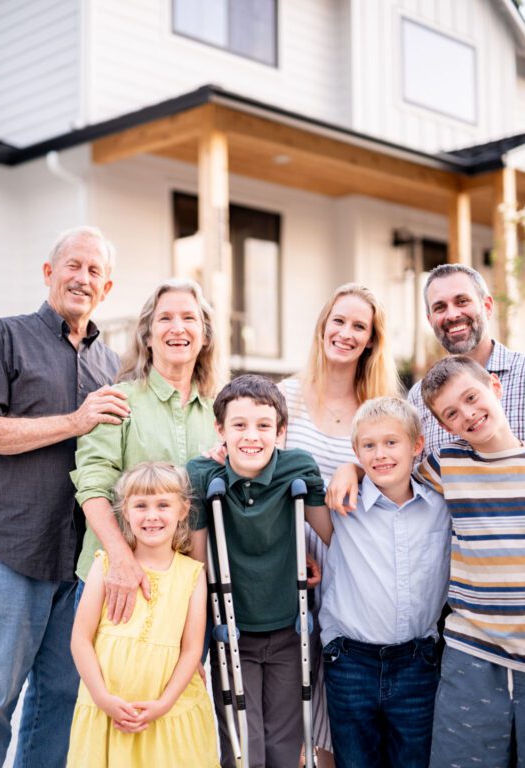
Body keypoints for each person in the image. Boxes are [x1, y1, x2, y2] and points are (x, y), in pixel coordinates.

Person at [0, 226, 129, 768]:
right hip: (10, 552)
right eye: (73, 265)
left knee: (60, 702)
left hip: (78, 566)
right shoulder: (3, 336)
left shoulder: (113, 367)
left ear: (107, 288)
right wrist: (75, 422)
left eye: (95, 271)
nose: (83, 277)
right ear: (49, 273)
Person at [328, 263, 525, 532]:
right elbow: (402, 474)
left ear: (487, 305)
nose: (452, 314)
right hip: (459, 574)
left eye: (462, 301)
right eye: (440, 307)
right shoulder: (420, 397)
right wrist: (353, 469)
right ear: (430, 320)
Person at [417, 356, 525, 767]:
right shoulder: (446, 466)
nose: (469, 415)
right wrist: (351, 471)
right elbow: (386, 471)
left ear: (495, 388)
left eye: (472, 397)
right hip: (470, 659)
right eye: (452, 414)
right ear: (444, 427)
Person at [279, 282, 401, 766]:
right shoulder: (284, 395)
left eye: (359, 327)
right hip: (286, 563)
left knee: (334, 715)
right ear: (323, 325)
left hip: (348, 569)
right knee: (288, 710)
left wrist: (354, 465)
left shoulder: (379, 407)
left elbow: (398, 480)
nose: (346, 333)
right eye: (339, 321)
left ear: (371, 340)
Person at [187, 375, 327, 768]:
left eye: (264, 426)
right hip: (232, 632)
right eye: (240, 425)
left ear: (280, 432)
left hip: (289, 629)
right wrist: (193, 646)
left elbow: (331, 533)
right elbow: (198, 566)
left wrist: (359, 473)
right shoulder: (203, 475)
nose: (252, 436)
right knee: (243, 749)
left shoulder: (296, 467)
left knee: (285, 747)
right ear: (220, 430)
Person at [307, 396, 450, 768]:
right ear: (357, 450)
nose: (380, 454)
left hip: (418, 662)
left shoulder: (442, 506)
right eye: (368, 446)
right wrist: (347, 469)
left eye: (391, 442)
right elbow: (287, 472)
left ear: (416, 445)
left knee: (414, 762)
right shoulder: (340, 503)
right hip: (351, 663)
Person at [71, 278, 219, 621]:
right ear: (147, 336)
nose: (177, 328)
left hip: (187, 590)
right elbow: (92, 485)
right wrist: (121, 559)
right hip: (117, 580)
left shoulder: (221, 414)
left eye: (189, 318)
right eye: (165, 318)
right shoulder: (118, 399)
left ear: (206, 335)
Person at [67, 462, 219, 767]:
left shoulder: (192, 574)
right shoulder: (106, 566)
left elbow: (191, 650)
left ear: (182, 509)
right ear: (125, 511)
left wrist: (164, 704)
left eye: (163, 504)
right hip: (109, 710)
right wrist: (102, 699)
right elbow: (80, 640)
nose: (152, 515)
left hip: (169, 714)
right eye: (141, 505)